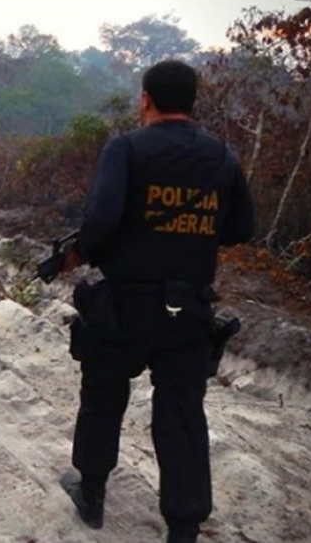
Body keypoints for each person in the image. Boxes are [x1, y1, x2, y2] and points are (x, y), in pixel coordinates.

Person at [59, 61, 255, 543]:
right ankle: (183, 527)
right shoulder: (223, 157)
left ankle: (92, 493)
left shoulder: (126, 148)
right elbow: (241, 228)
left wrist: (83, 250)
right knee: (182, 415)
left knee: (103, 394)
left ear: (145, 99)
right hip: (189, 308)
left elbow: (102, 218)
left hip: (124, 305)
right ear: (193, 101)